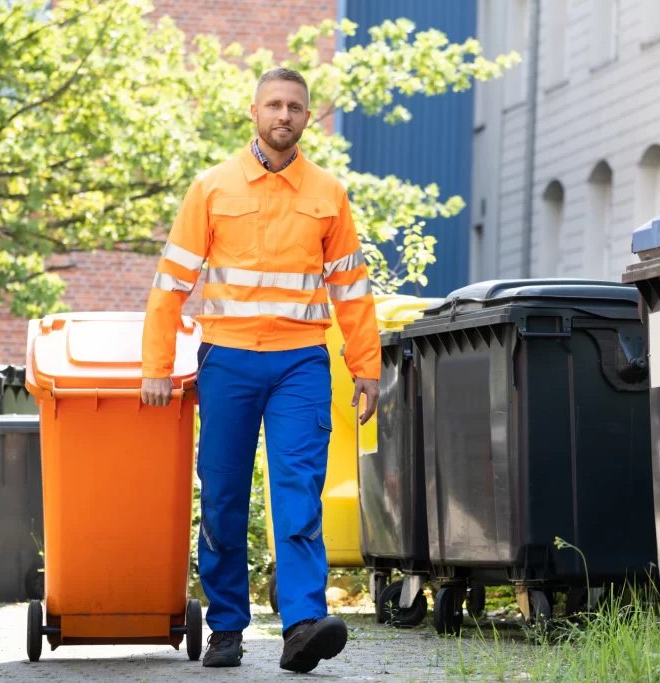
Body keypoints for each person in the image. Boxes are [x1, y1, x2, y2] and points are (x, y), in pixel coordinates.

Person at [140, 67, 381, 673]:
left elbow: (352, 290)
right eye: (274, 104)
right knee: (222, 494)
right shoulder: (214, 188)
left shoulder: (328, 193)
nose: (284, 115)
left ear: (306, 119)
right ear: (253, 113)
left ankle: (302, 623)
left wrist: (367, 367)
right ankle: (226, 627)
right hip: (227, 360)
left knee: (299, 489)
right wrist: (157, 365)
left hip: (301, 363)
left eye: (295, 107)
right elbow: (170, 286)